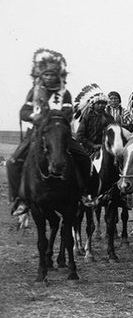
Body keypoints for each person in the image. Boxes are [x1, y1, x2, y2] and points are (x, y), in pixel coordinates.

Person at [7, 49, 85, 218]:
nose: (49, 78)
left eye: (52, 75)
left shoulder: (65, 93)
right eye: (46, 75)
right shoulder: (34, 92)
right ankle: (20, 200)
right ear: (41, 76)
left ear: (58, 75)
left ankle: (86, 192)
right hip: (36, 135)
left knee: (83, 157)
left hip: (60, 134)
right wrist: (33, 116)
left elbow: (68, 112)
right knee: (12, 163)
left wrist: (52, 118)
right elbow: (24, 111)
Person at [74, 85, 114, 155]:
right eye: (98, 103)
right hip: (88, 150)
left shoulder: (109, 118)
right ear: (93, 104)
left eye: (103, 103)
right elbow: (79, 136)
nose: (101, 105)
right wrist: (92, 145)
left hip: (106, 150)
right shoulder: (87, 117)